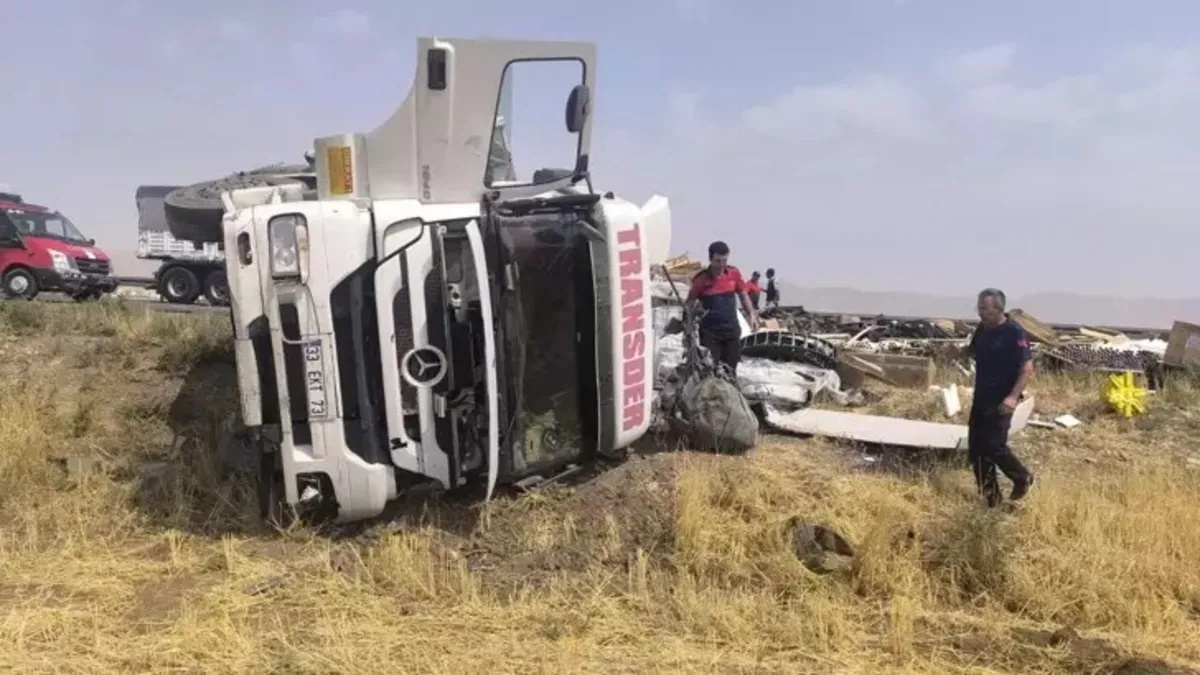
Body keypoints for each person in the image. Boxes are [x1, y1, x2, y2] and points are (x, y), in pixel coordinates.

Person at [961, 288, 1036, 507]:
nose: (980, 313)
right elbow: (974, 352)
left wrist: (1013, 397)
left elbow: (1027, 368)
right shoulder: (982, 329)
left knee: (994, 445)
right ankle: (991, 499)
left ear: (999, 309)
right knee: (977, 449)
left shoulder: (1015, 333)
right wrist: (958, 353)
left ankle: (1022, 477)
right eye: (979, 308)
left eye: (984, 309)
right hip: (982, 396)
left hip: (1003, 398)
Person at [686, 241, 758, 375]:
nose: (721, 265)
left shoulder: (733, 274)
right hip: (710, 334)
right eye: (718, 261)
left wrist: (751, 314)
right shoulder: (701, 280)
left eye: (724, 260)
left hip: (731, 332)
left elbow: (743, 295)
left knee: (730, 370)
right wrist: (688, 324)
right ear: (710, 259)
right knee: (711, 371)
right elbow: (689, 303)